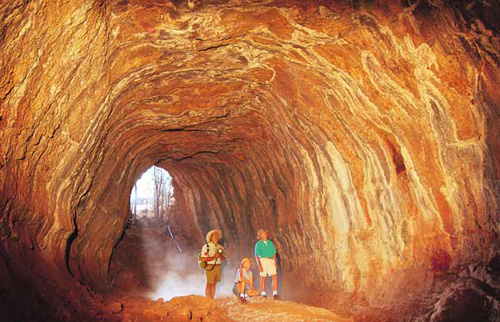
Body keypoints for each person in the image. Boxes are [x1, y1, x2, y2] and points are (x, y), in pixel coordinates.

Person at [254, 229, 280, 300]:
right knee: (263, 277)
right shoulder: (258, 244)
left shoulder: (270, 243)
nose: (265, 234)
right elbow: (257, 255)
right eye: (263, 233)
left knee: (274, 277)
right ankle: (263, 294)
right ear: (260, 236)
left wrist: (275, 262)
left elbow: (274, 253)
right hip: (263, 260)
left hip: (271, 260)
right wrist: (259, 265)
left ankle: (275, 294)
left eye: (265, 233)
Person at [200, 229, 225, 299]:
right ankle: (208, 298)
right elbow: (203, 258)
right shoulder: (206, 247)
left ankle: (212, 298)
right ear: (211, 237)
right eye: (214, 236)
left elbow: (223, 258)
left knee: (214, 284)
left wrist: (220, 256)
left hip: (218, 266)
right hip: (210, 266)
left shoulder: (220, 247)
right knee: (209, 283)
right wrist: (214, 257)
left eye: (217, 236)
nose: (216, 237)